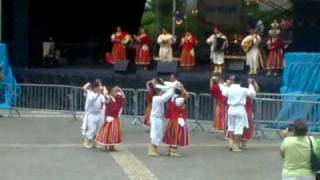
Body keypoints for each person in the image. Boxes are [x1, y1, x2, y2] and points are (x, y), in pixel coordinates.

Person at [220, 76, 256, 152]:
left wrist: (226, 85)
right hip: (240, 108)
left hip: (231, 108)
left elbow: (223, 92)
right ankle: (236, 145)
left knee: (231, 126)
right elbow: (252, 94)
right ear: (240, 82)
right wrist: (250, 84)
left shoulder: (229, 89)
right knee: (239, 128)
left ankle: (231, 142)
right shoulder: (243, 89)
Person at [148, 81, 178, 156]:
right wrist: (173, 88)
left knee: (158, 134)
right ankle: (152, 150)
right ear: (158, 92)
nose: (162, 92)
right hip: (155, 119)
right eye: (160, 91)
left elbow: (166, 93)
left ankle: (154, 149)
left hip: (158, 119)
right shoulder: (157, 99)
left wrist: (171, 87)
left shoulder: (157, 98)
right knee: (155, 134)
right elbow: (166, 96)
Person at [95, 86, 125, 151]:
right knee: (107, 133)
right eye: (116, 92)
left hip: (115, 118)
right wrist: (104, 90)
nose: (117, 93)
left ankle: (112, 147)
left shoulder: (117, 99)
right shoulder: (109, 98)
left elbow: (123, 97)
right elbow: (106, 97)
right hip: (110, 118)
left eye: (117, 92)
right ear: (113, 92)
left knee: (114, 133)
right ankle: (105, 146)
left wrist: (119, 89)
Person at [163, 87, 189, 157]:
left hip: (174, 119)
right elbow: (187, 96)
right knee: (176, 135)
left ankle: (171, 150)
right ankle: (172, 151)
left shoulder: (174, 99)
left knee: (173, 134)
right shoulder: (179, 99)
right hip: (177, 120)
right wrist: (183, 88)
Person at [81, 81, 106, 149]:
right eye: (98, 88)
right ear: (95, 88)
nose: (99, 89)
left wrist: (105, 94)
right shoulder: (90, 94)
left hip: (99, 114)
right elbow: (92, 99)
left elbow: (105, 102)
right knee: (91, 129)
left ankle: (95, 142)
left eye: (100, 88)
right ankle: (86, 142)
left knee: (98, 129)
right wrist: (98, 93)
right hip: (91, 114)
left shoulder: (101, 95)